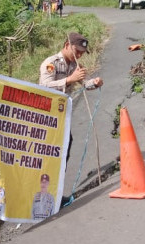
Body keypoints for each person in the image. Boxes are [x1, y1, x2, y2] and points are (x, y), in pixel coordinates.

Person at [39, 32, 103, 162]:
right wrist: (69, 79)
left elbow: (84, 84)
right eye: (77, 51)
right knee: (47, 150)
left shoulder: (75, 66)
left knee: (65, 145)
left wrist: (95, 83)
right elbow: (44, 87)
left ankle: (60, 179)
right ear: (67, 45)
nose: (79, 55)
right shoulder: (51, 63)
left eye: (82, 53)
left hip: (61, 113)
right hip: (45, 113)